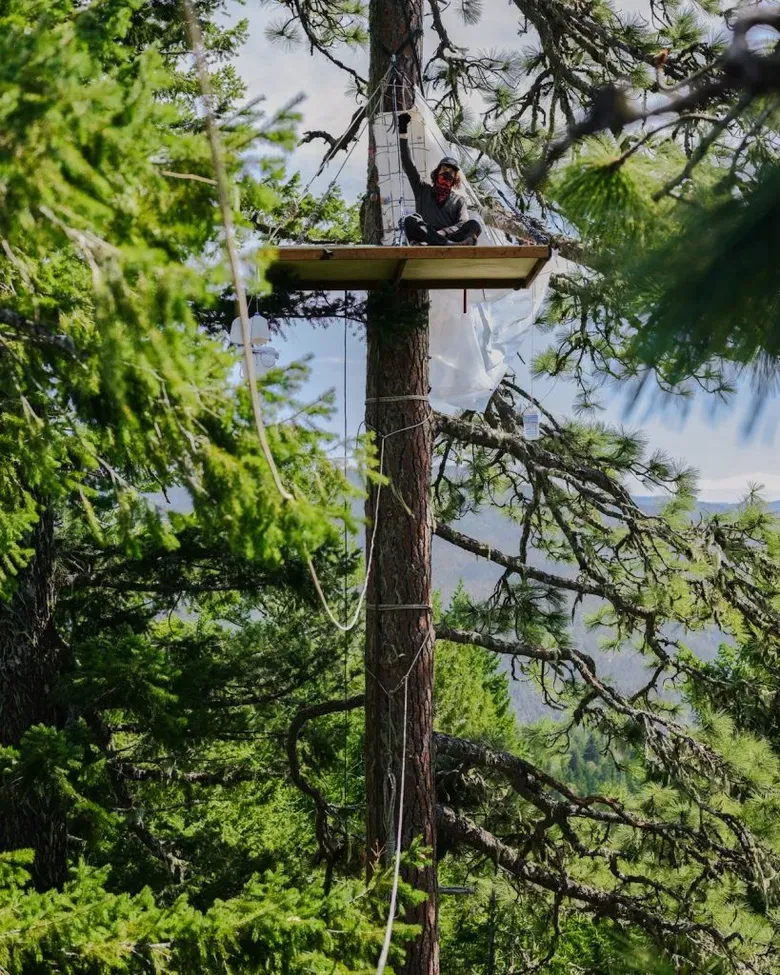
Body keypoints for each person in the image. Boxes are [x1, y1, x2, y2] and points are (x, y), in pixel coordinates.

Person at [397, 112, 482, 246]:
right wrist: (403, 132)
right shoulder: (422, 190)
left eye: (451, 172)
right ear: (437, 173)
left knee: (474, 225)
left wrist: (442, 233)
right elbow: (408, 164)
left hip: (450, 239)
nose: (447, 173)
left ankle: (447, 244)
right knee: (410, 221)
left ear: (455, 179)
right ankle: (446, 244)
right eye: (444, 170)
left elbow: (462, 222)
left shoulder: (458, 200)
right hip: (426, 237)